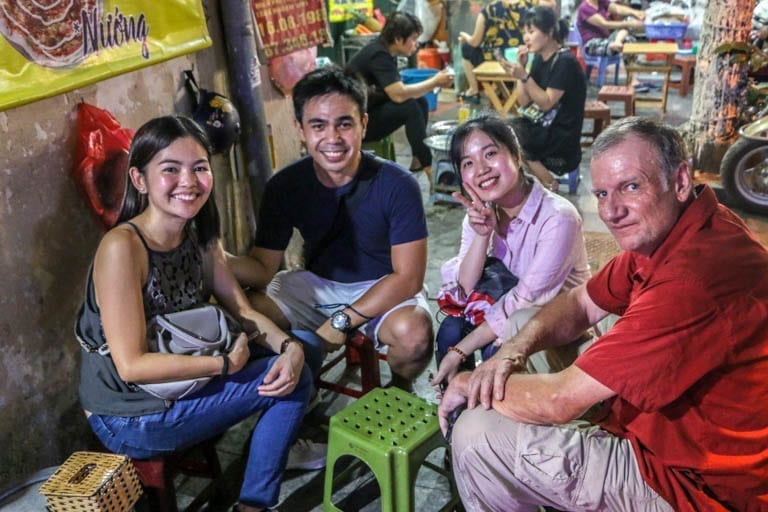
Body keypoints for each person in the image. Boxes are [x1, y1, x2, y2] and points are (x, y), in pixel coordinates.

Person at [439, 117, 768, 511]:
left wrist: (466, 380)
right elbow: (581, 301)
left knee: (476, 432)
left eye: (631, 187)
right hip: (658, 428)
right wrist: (513, 348)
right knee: (521, 326)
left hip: (691, 483)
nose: (612, 211)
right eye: (601, 193)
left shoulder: (692, 279)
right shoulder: (679, 228)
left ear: (680, 181)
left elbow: (560, 399)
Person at [76, 116, 322, 512]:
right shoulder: (123, 248)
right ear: (139, 180)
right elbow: (132, 366)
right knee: (294, 382)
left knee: (305, 350)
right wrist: (224, 364)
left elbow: (240, 308)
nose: (188, 181)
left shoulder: (198, 231)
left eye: (199, 167)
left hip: (183, 375)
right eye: (170, 169)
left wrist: (288, 345)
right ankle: (254, 503)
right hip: (131, 411)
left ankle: (273, 443)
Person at [227, 66, 434, 391]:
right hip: (315, 287)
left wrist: (342, 321)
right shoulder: (284, 186)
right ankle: (288, 389)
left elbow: (408, 277)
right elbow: (262, 269)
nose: (332, 138)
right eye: (318, 125)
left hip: (383, 285)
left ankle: (399, 387)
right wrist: (211, 257)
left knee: (415, 335)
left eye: (345, 124)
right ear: (300, 129)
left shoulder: (398, 184)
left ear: (364, 124)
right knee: (241, 312)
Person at [429, 114, 590, 388]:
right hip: (503, 313)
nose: (481, 169)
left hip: (551, 325)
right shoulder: (481, 213)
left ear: (516, 155)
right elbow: (465, 289)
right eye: (468, 163)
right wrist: (482, 236)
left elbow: (525, 301)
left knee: (495, 351)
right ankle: (456, 412)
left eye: (490, 153)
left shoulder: (558, 218)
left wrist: (461, 351)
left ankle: (495, 421)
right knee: (450, 330)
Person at [346, 11, 453, 176]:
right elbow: (398, 95)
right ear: (397, 39)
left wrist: (432, 84)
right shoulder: (378, 55)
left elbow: (397, 91)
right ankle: (430, 170)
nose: (416, 44)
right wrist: (435, 81)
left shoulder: (386, 52)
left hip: (367, 112)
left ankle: (418, 159)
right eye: (413, 39)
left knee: (420, 102)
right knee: (410, 107)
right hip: (355, 125)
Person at [502, 6, 586, 191]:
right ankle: (537, 183)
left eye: (531, 31)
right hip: (543, 125)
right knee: (503, 131)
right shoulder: (540, 58)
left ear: (548, 32)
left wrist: (524, 75)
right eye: (524, 32)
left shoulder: (565, 62)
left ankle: (548, 183)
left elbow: (547, 103)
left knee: (513, 136)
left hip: (561, 133)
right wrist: (520, 70)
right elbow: (524, 102)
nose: (526, 38)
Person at [457, 0, 555, 102]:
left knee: (467, 47)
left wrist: (465, 37)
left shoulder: (490, 9)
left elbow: (475, 42)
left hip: (497, 59)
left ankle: (473, 90)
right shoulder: (530, 6)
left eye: (530, 32)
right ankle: (504, 92)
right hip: (523, 56)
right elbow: (551, 5)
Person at [577, 0, 645, 56]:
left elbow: (617, 9)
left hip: (606, 39)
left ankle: (617, 42)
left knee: (630, 40)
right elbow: (604, 24)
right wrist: (630, 24)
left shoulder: (601, 2)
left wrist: (635, 12)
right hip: (592, 44)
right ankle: (615, 45)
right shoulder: (585, 7)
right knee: (619, 45)